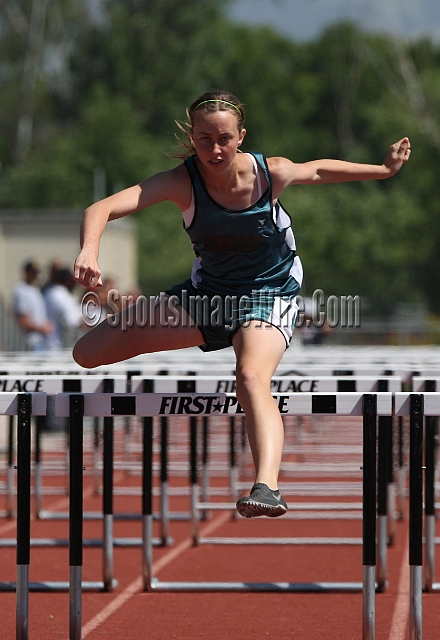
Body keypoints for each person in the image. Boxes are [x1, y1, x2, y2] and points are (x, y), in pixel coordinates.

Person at [72, 89, 411, 518]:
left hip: (270, 294)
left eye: (224, 139)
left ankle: (266, 485)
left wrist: (383, 170)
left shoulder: (271, 173)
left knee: (250, 375)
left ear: (241, 136)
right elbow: (100, 208)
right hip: (208, 297)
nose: (215, 150)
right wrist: (89, 251)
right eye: (204, 140)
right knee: (87, 353)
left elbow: (321, 170)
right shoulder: (181, 182)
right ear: (192, 138)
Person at [12, 259, 54, 351]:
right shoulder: (21, 291)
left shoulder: (34, 290)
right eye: (32, 272)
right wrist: (42, 328)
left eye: (36, 273)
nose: (35, 275)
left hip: (41, 340)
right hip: (30, 342)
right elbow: (23, 320)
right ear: (26, 272)